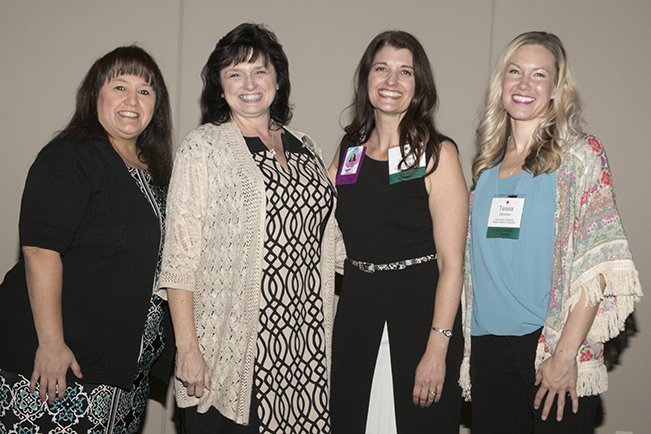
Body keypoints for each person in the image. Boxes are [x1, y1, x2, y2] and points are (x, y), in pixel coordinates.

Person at [158, 23, 337, 433]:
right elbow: (179, 257)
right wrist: (188, 348)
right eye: (235, 73)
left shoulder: (307, 147)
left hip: (304, 348)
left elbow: (333, 239)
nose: (249, 83)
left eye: (260, 70)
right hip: (232, 350)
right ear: (220, 87)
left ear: (278, 79)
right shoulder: (203, 147)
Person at [460, 31, 643, 433]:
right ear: (501, 83)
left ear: (557, 90)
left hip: (549, 348)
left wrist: (563, 356)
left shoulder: (579, 156)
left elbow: (599, 264)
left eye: (539, 75)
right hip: (488, 348)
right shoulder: (484, 167)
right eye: (514, 71)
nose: (524, 84)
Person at [0, 45, 174, 433]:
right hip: (60, 365)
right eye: (120, 86)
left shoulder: (156, 174)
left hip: (122, 373)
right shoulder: (71, 154)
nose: (132, 100)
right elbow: (40, 249)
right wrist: (50, 344)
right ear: (95, 94)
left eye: (145, 91)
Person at [329, 30, 467, 433]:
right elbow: (312, 218)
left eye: (404, 72)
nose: (391, 82)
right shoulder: (349, 150)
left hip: (419, 313)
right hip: (357, 312)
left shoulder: (437, 152)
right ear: (366, 78)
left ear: (418, 85)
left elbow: (452, 263)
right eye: (382, 69)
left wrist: (437, 347)